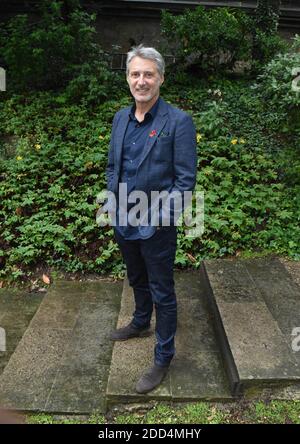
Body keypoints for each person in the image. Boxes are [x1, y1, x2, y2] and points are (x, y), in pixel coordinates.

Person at [106, 44, 197, 394]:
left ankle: (163, 356)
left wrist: (160, 218)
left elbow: (185, 181)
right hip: (123, 217)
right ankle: (140, 322)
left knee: (163, 289)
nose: (141, 80)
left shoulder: (178, 122)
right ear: (127, 78)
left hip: (156, 224)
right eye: (135, 74)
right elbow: (114, 165)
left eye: (148, 74)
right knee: (135, 276)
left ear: (160, 77)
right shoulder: (120, 118)